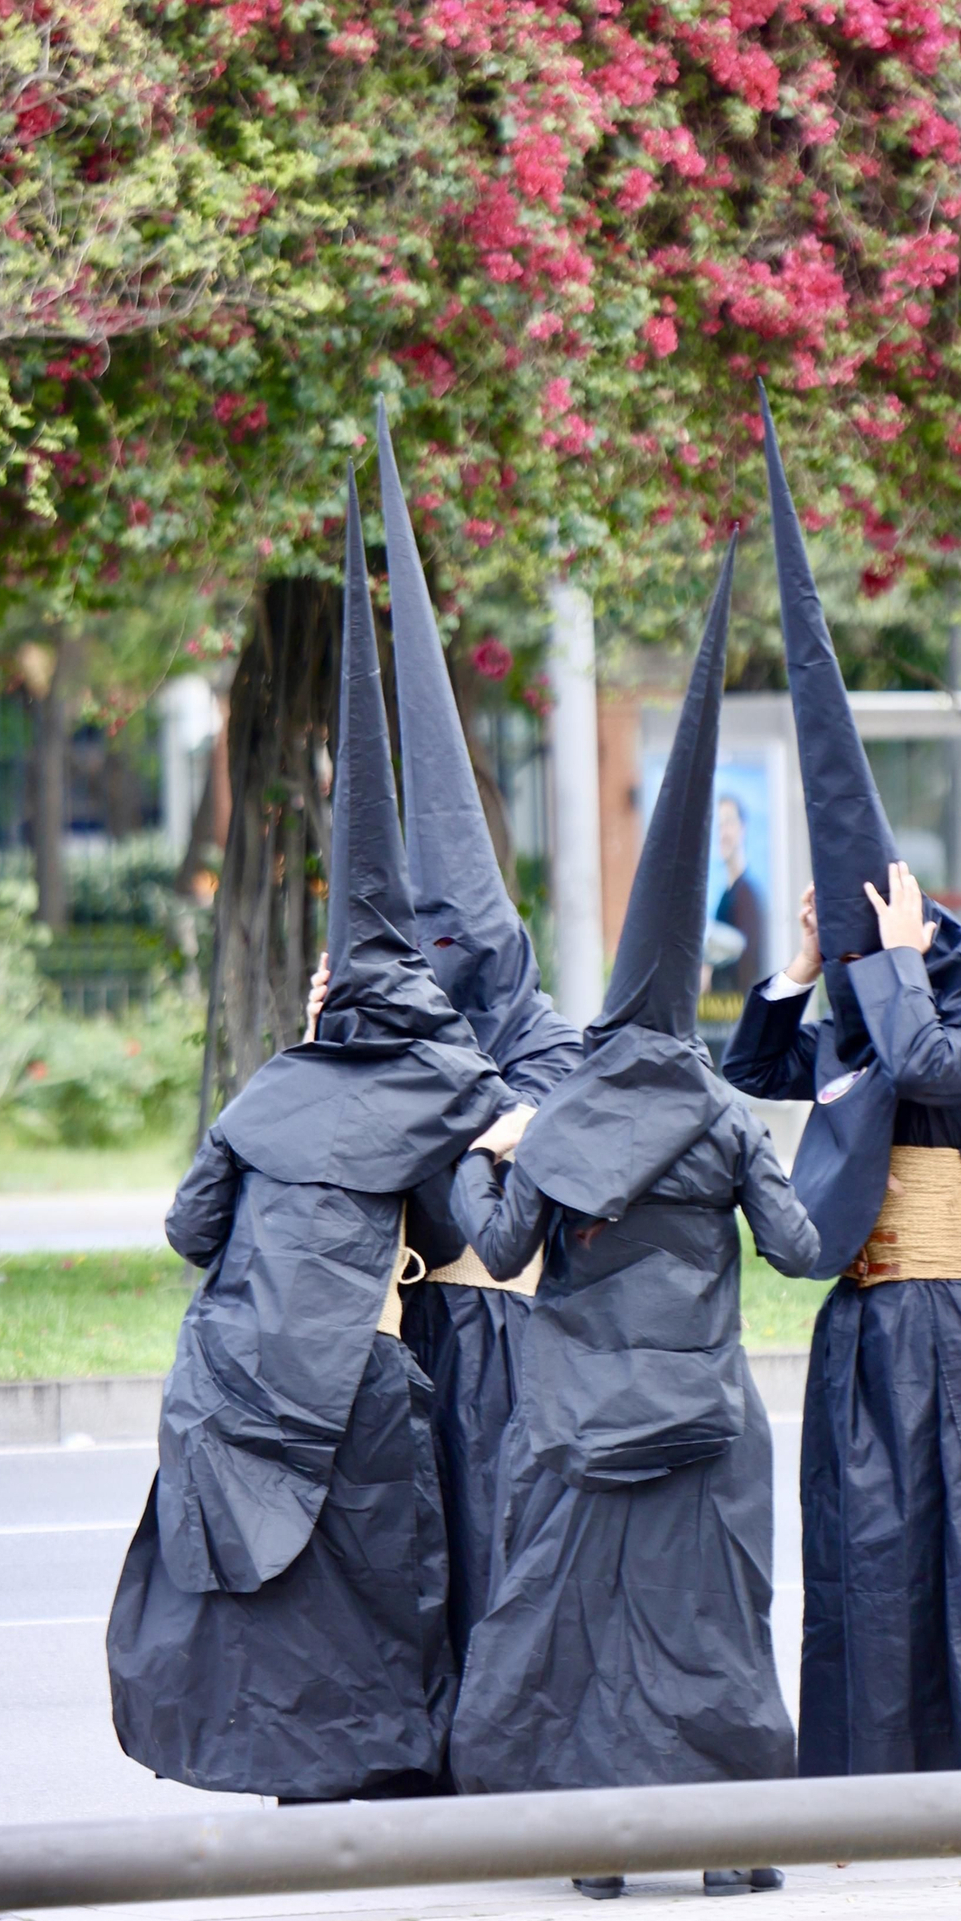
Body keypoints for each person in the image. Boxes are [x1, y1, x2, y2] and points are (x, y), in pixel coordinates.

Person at [722, 388, 961, 1779]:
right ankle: (878, 1771)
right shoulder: (855, 988)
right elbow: (760, 1072)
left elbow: (946, 1078)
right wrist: (804, 966)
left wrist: (889, 969)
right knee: (873, 1554)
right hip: (870, 1321)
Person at [106, 467, 510, 1802]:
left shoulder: (269, 1086)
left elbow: (187, 1227)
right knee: (383, 1569)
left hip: (231, 1373)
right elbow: (490, 1155)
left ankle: (293, 1774)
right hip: (354, 1376)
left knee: (281, 1601)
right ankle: (386, 1766)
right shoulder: (437, 1081)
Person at [446, 542, 822, 1896]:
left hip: (575, 1417)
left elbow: (495, 1253)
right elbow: (795, 1251)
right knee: (714, 1622)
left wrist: (485, 1156)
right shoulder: (721, 1117)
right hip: (703, 1411)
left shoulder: (556, 1123)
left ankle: (600, 1850)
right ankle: (733, 1853)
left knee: (582, 1625)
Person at [375, 400, 582, 1664]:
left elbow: (539, 1139)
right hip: (411, 1340)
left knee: (507, 1553)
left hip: (513, 1339)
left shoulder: (543, 1031)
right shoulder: (390, 1029)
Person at [710, 793, 766, 997]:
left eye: (728, 823)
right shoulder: (727, 893)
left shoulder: (746, 895)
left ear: (743, 828)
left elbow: (749, 968)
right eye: (718, 826)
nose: (722, 833)